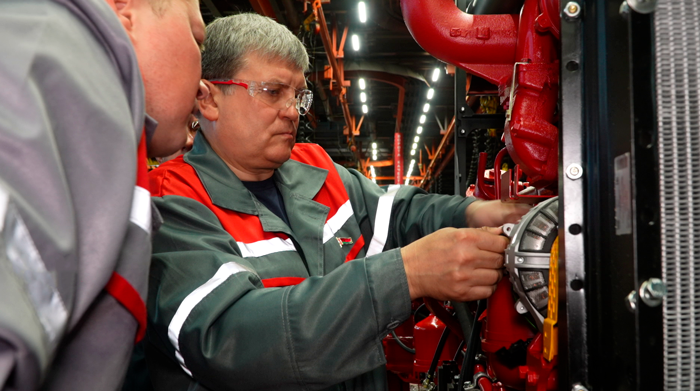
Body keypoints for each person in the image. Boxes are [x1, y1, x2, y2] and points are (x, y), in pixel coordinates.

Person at [145, 13, 530, 391]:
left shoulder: (314, 167)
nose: (292, 111)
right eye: (273, 92)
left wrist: (475, 211)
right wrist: (406, 274)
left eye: (298, 95)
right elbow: (230, 338)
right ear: (208, 100)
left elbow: (399, 214)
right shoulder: (171, 200)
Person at [0, 0, 206, 389]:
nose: (202, 82)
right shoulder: (52, 64)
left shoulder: (101, 123)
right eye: (197, 38)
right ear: (126, 10)